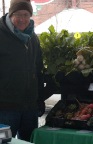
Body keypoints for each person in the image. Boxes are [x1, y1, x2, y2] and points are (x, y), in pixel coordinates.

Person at [0, 0, 45, 142]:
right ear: (11, 14)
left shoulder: (32, 38)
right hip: (5, 108)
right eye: (18, 15)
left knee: (28, 141)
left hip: (29, 108)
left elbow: (38, 70)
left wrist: (40, 99)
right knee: (4, 141)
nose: (22, 19)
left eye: (26, 15)